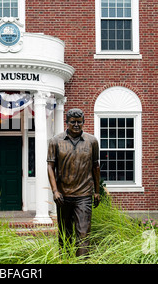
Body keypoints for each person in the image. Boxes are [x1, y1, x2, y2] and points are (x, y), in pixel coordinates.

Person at [47, 108, 100, 256]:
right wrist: (55, 191)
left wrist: (97, 191)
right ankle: (65, 259)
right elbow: (50, 167)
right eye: (73, 122)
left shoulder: (92, 141)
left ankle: (81, 261)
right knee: (65, 233)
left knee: (83, 233)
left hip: (84, 194)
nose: (76, 125)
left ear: (83, 122)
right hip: (63, 195)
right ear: (67, 122)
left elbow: (96, 166)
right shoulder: (55, 141)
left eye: (79, 122)